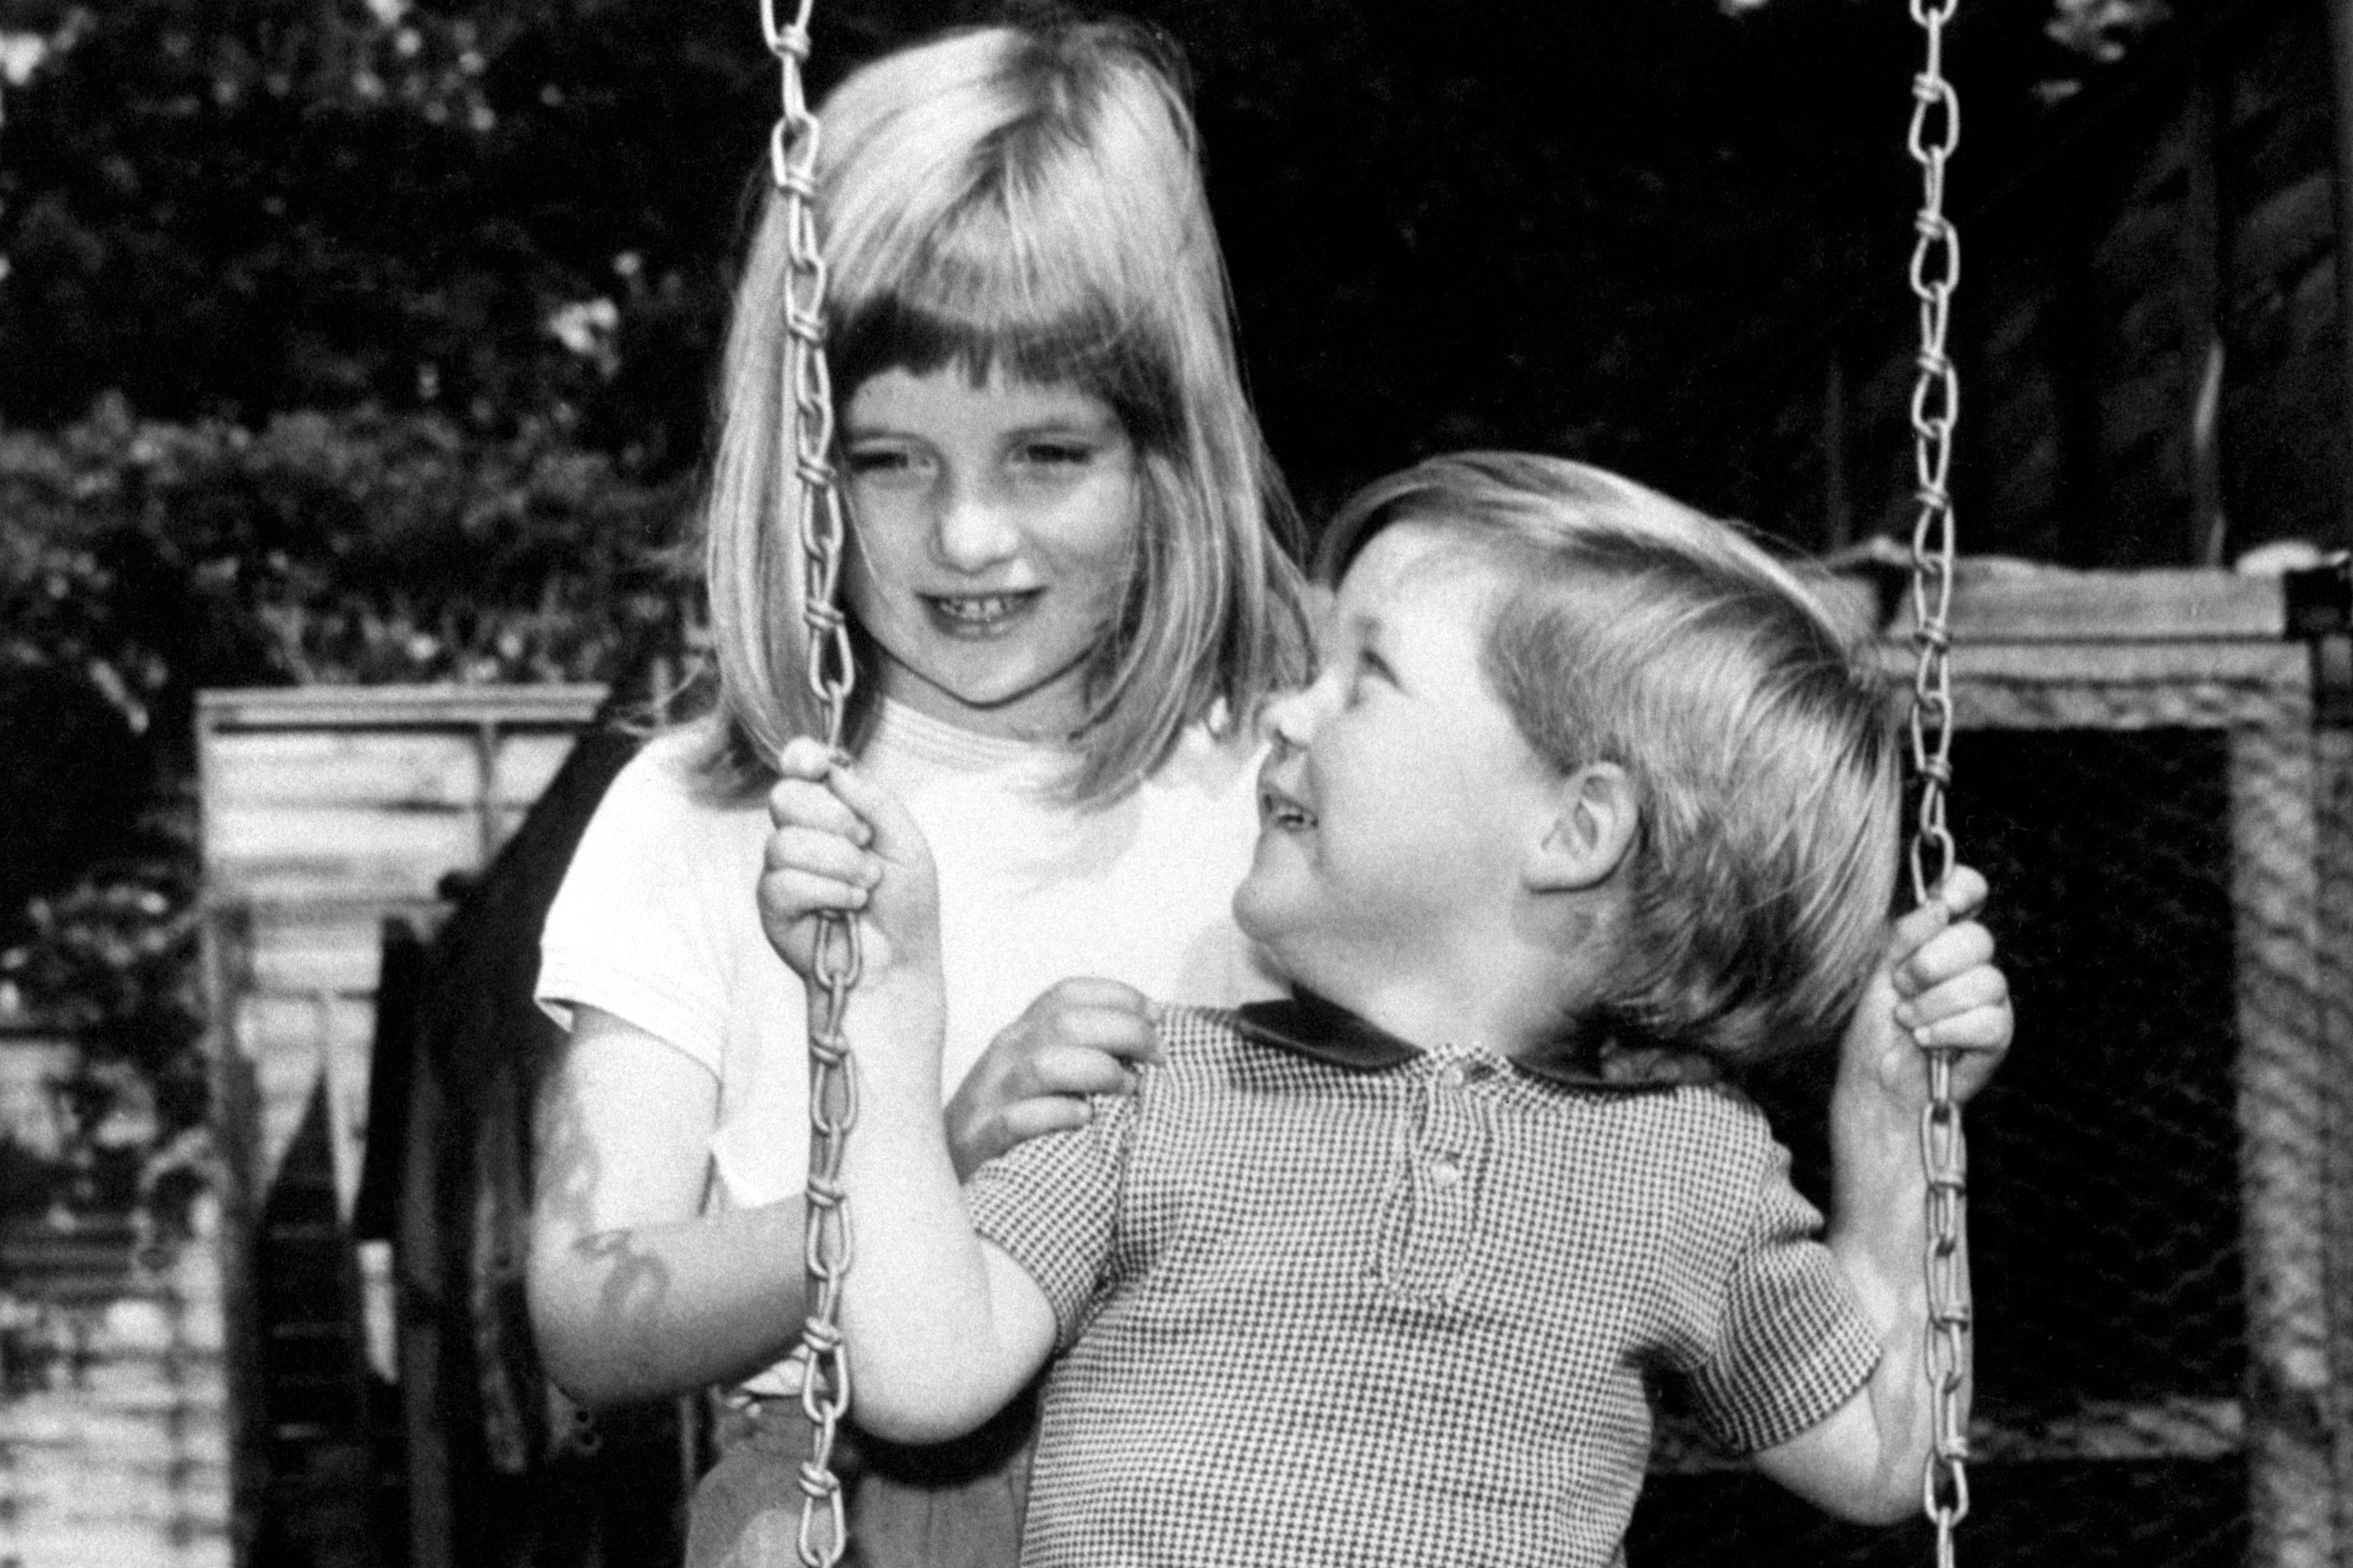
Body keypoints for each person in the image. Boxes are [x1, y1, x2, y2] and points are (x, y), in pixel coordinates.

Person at [758, 451, 2015, 1567]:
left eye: (1365, 678)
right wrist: (882, 995)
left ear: (1575, 828)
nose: (1286, 710)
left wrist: (1893, 1129)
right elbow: (923, 1371)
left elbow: (1879, 1456)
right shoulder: (1154, 1086)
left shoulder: (1688, 1170)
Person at [526, 19, 1311, 1568]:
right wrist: (921, 1166)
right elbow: (584, 1310)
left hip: (1234, 1478)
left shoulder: (1280, 783)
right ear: (799, 462)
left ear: (1168, 451)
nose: (966, 537)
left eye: (1046, 451)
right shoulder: (714, 808)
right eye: (888, 459)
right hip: (840, 1505)